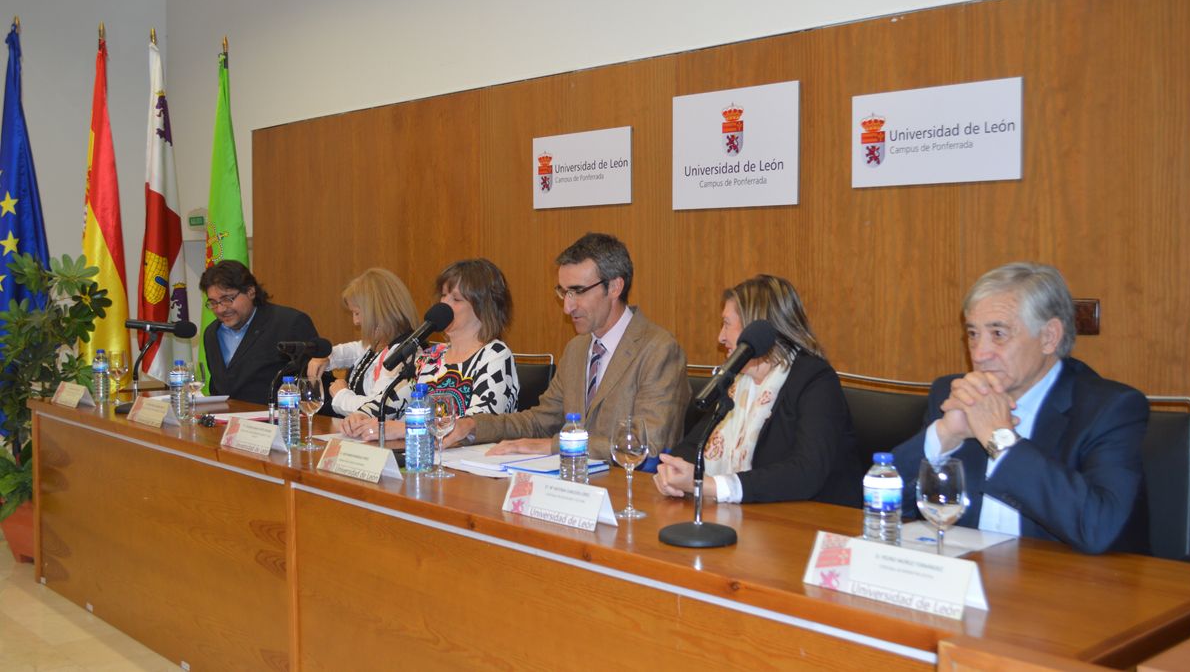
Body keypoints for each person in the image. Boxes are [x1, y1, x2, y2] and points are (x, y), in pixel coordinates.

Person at [892, 262, 1149, 554]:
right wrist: (944, 435)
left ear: (1049, 337)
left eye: (998, 334)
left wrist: (1001, 440)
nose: (979, 354)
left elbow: (1098, 529)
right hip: (971, 580)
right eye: (973, 334)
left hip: (1068, 588)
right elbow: (882, 504)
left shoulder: (1109, 409)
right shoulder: (955, 393)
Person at [443, 233, 690, 459]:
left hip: (630, 495)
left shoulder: (659, 349)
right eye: (564, 292)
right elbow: (540, 421)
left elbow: (648, 444)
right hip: (572, 488)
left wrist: (553, 445)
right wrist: (475, 425)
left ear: (614, 287)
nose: (567, 307)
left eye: (578, 292)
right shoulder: (577, 349)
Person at [654, 275, 859, 505]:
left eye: (727, 324)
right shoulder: (737, 382)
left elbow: (806, 472)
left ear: (757, 329)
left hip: (813, 525)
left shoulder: (815, 380)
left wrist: (711, 485)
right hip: (749, 519)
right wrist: (673, 472)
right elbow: (693, 446)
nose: (720, 337)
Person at [342, 258, 520, 437]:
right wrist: (361, 415)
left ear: (484, 307)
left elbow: (476, 425)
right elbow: (389, 401)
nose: (444, 304)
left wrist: (403, 429)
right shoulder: (431, 356)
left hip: (473, 462)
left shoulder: (495, 354)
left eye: (456, 299)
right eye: (443, 295)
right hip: (426, 458)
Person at [200, 260, 319, 405]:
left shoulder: (290, 323)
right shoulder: (212, 333)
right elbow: (218, 388)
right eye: (213, 302)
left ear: (250, 292)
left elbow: (315, 382)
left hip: (277, 422)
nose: (220, 309)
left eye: (227, 299)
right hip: (227, 423)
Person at [306, 268, 419, 416]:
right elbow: (354, 350)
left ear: (379, 311)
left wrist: (341, 394)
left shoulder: (404, 354)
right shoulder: (380, 342)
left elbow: (378, 409)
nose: (356, 321)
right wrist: (328, 358)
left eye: (357, 313)